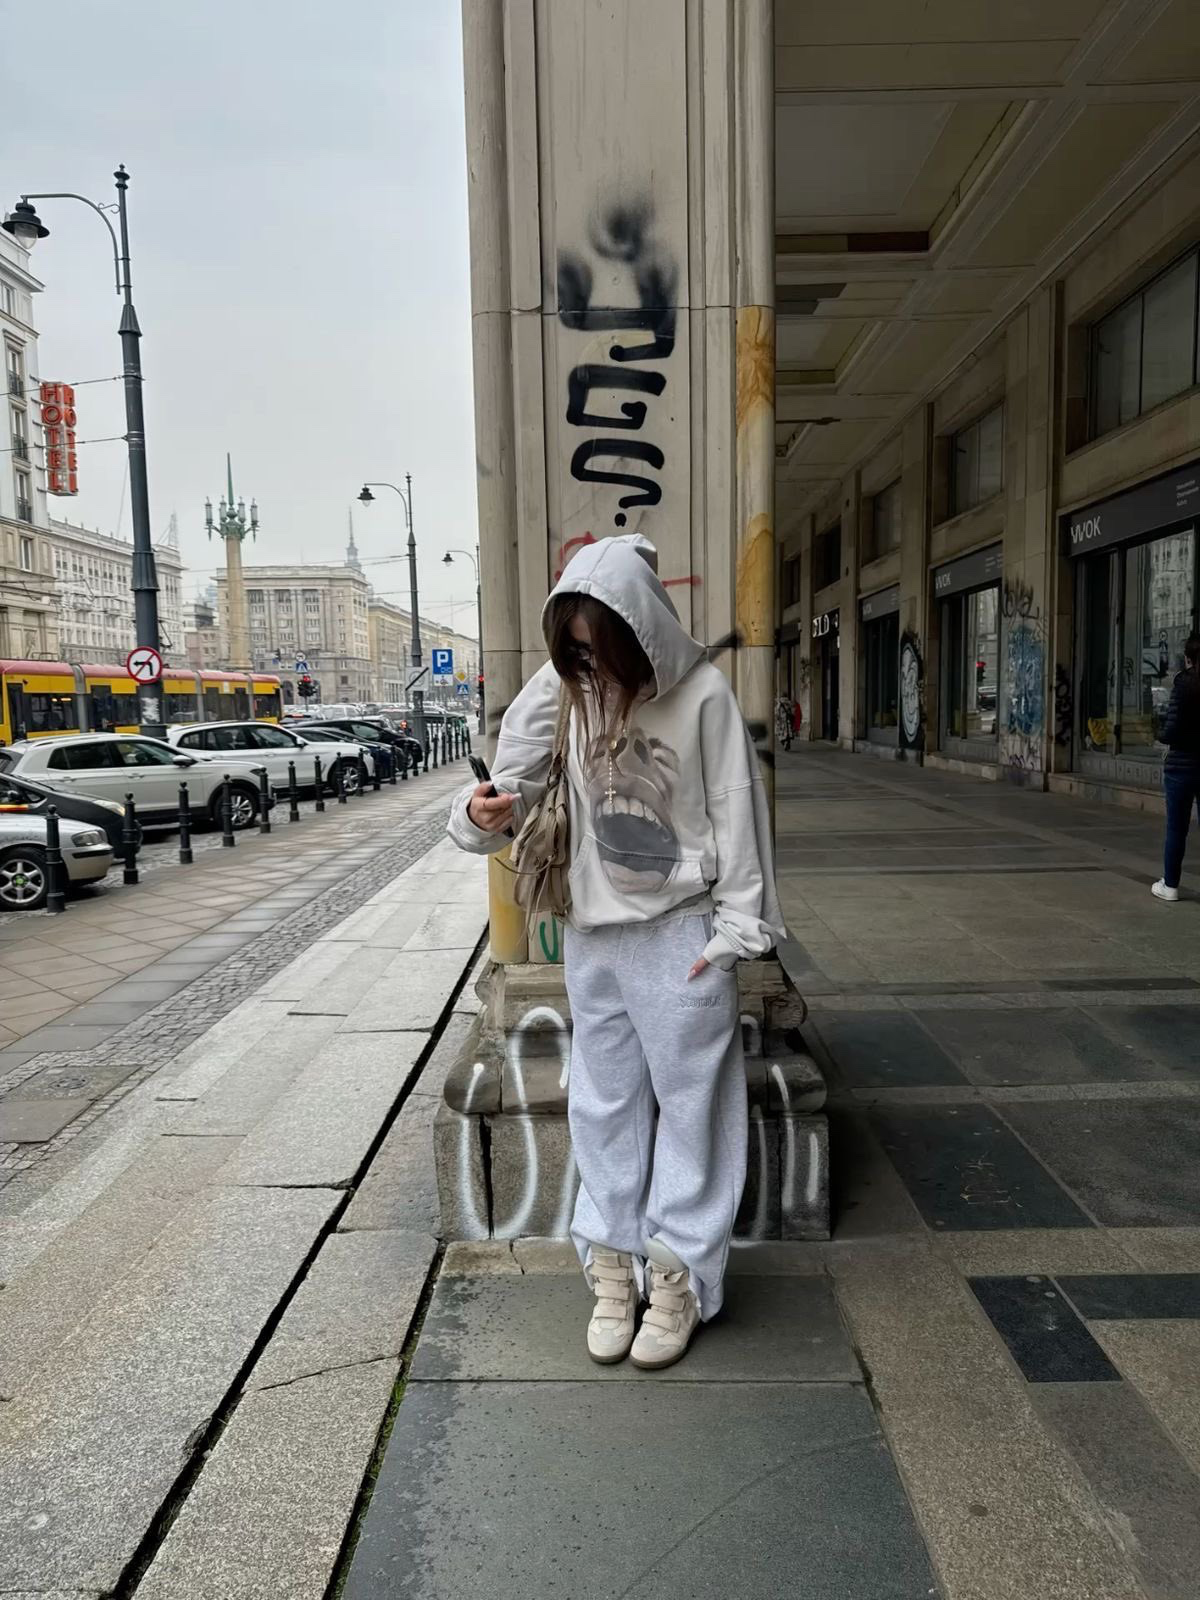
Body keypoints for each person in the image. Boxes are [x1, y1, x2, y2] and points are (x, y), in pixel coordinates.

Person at [448, 534, 783, 1369]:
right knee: (603, 1106)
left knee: (693, 1111)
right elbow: (509, 781)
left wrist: (734, 936)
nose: (590, 663)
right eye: (576, 647)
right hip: (594, 937)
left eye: (601, 646)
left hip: (680, 935)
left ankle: (679, 1279)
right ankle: (612, 1266)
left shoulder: (701, 694)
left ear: (642, 634)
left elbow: (739, 807)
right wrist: (481, 813)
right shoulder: (564, 686)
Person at [1153, 633, 1200, 903]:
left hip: (1181, 765)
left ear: (1188, 659)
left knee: (1176, 829)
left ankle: (1170, 885)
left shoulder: (1182, 684)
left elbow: (1171, 729)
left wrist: (1160, 735)